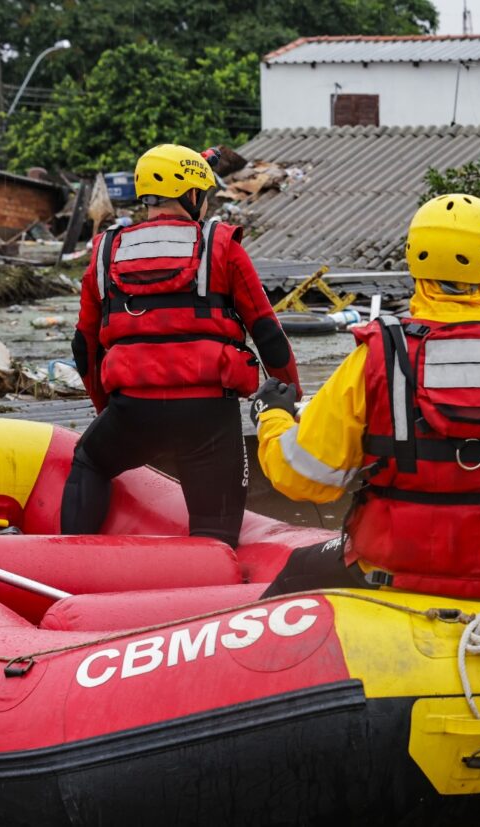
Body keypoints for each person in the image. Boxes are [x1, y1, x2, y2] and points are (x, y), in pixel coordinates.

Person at [253, 194, 480, 611]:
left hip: (398, 579)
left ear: (415, 266)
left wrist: (273, 417)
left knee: (296, 572)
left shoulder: (380, 356)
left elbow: (306, 477)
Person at [63, 143, 301, 546]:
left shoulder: (104, 252)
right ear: (192, 196)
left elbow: (84, 348)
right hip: (208, 418)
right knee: (215, 534)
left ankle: (67, 561)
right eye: (203, 196)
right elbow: (269, 336)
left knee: (90, 461)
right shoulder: (223, 247)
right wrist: (289, 399)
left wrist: (110, 411)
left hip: (131, 411)